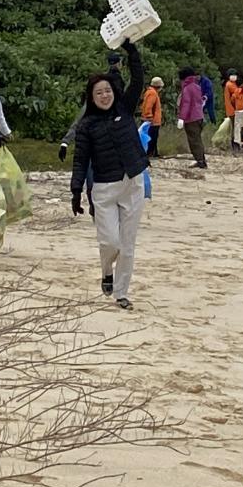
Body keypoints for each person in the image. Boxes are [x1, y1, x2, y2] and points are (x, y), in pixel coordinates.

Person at [70, 40, 148, 309]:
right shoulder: (87, 125)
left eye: (107, 91)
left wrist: (131, 50)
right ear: (91, 97)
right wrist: (76, 190)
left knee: (127, 244)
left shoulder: (124, 108)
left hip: (132, 183)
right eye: (98, 93)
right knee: (110, 242)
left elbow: (138, 79)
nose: (104, 96)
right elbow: (80, 160)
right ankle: (107, 271)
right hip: (104, 189)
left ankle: (121, 292)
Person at [177, 67, 208, 169]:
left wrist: (182, 118)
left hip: (191, 118)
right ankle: (201, 160)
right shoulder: (196, 86)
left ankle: (200, 161)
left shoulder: (187, 88)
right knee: (197, 139)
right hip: (199, 116)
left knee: (194, 141)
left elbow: (186, 104)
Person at [141, 76, 164, 158]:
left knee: (152, 138)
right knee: (152, 138)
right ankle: (150, 154)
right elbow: (148, 106)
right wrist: (149, 116)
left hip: (151, 120)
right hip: (152, 121)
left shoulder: (149, 92)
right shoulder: (152, 93)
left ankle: (154, 153)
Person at [223, 71, 243, 150]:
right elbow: (237, 95)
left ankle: (236, 145)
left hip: (231, 110)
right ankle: (235, 145)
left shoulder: (229, 84)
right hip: (233, 110)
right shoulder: (230, 85)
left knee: (235, 128)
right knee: (236, 129)